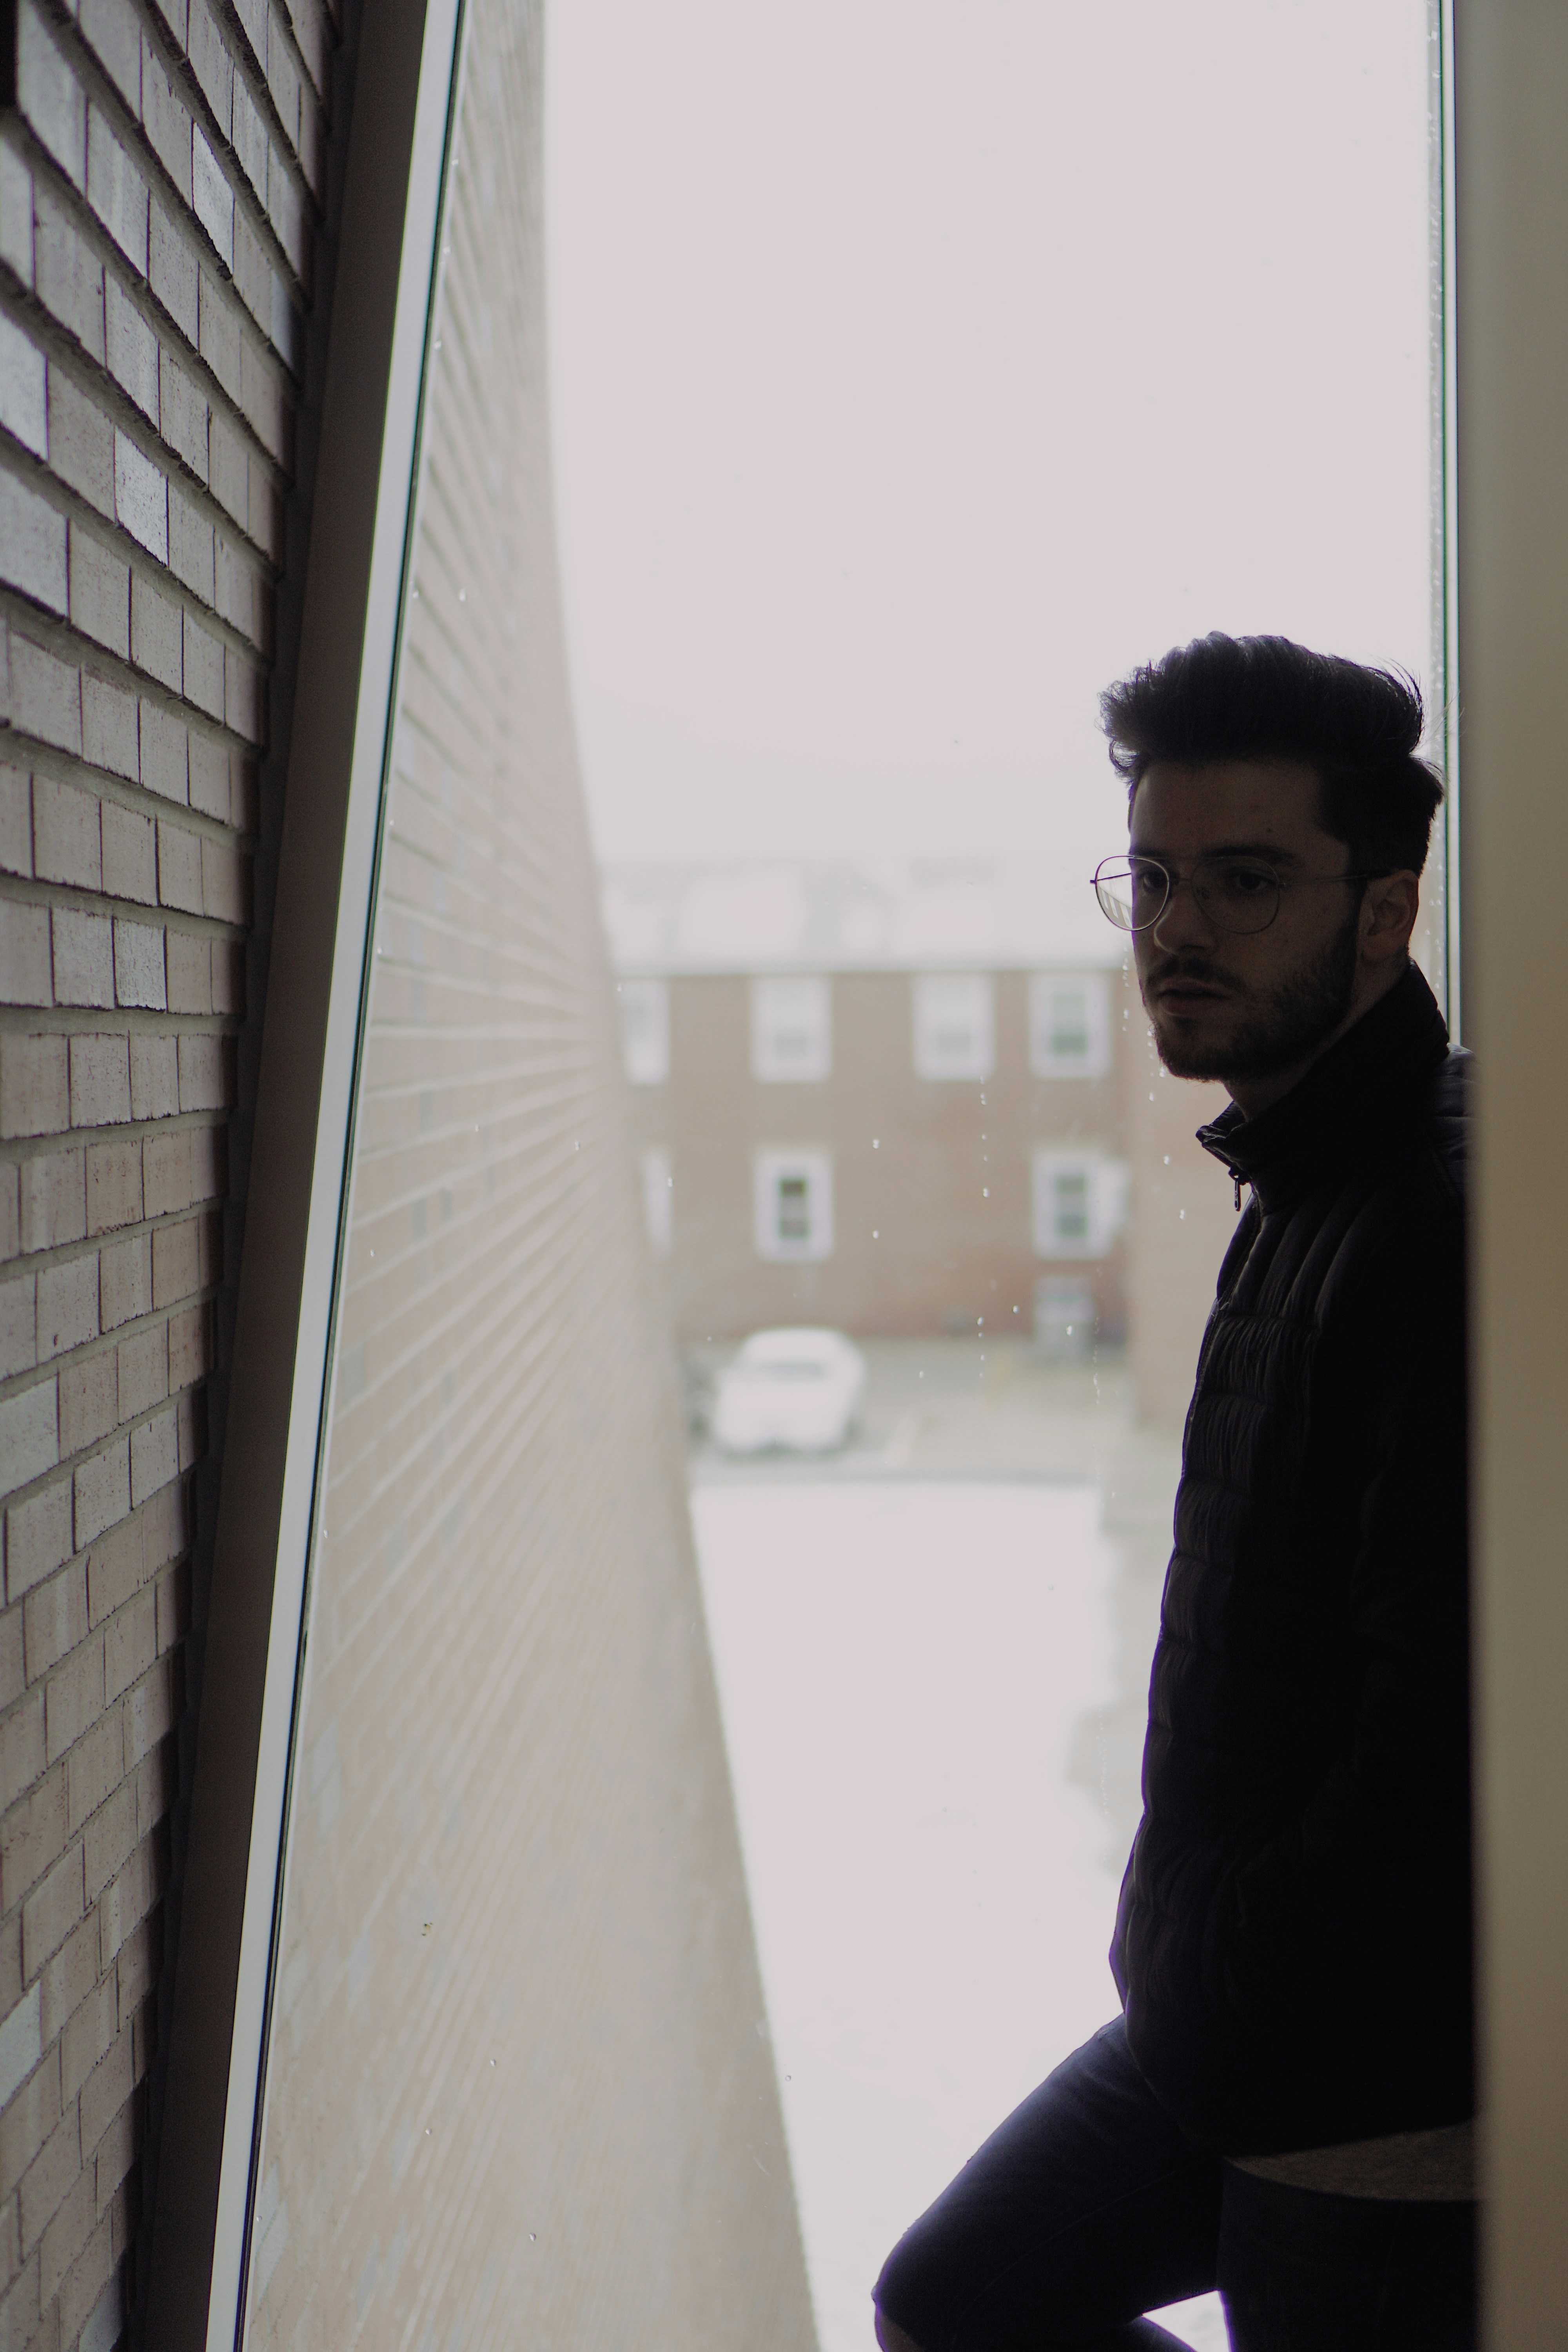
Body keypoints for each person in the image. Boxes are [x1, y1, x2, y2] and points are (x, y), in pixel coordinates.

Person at [872, 634, 1474, 2352]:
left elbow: (1437, 1735)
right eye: (1151, 876)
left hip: (1376, 2097)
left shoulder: (1425, 1227)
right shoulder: (1297, 1170)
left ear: (1383, 911)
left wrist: (1248, 1975)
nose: (1178, 928)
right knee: (957, 2297)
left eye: (1245, 880)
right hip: (1224, 2018)